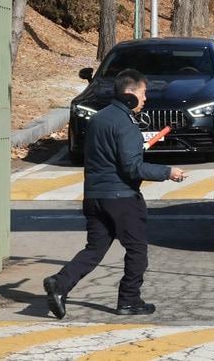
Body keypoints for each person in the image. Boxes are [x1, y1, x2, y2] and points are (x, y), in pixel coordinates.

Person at [43, 69, 185, 319]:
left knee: (94, 249)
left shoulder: (99, 118)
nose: (146, 99)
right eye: (143, 93)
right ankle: (129, 300)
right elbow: (132, 167)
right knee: (137, 250)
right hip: (121, 199)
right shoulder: (126, 124)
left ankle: (60, 283)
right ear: (129, 93)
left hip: (95, 197)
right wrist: (168, 172)